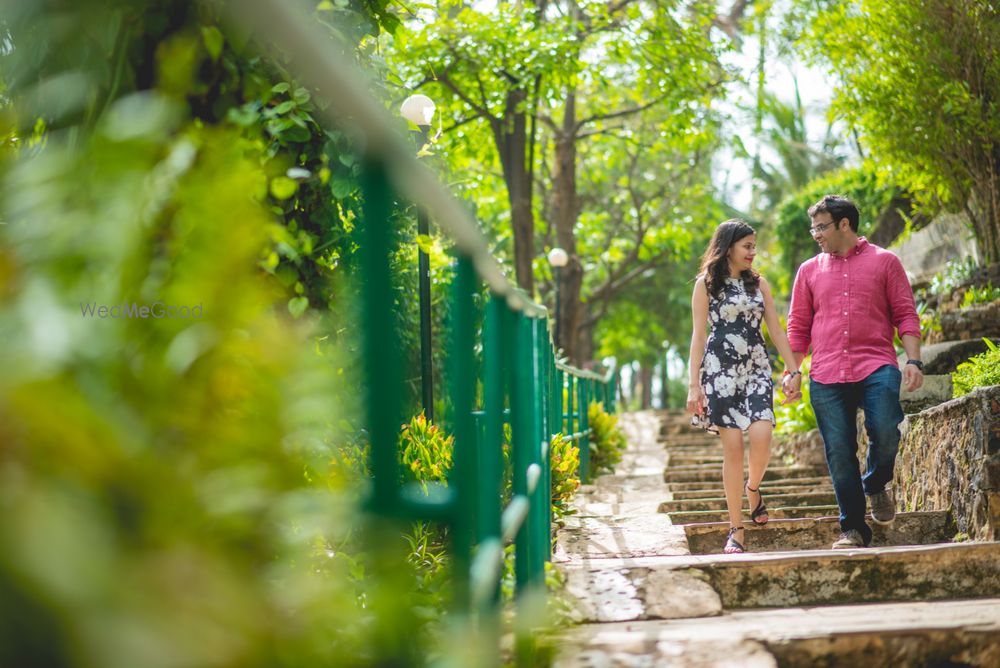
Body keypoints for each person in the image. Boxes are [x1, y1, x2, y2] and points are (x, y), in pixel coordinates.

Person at [784, 195, 923, 550]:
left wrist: (913, 360)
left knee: (886, 429)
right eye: (813, 227)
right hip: (827, 373)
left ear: (844, 224)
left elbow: (905, 313)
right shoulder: (809, 271)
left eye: (821, 226)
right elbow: (798, 326)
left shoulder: (885, 262)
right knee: (840, 453)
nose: (815, 234)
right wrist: (792, 371)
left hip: (876, 364)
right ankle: (853, 529)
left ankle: (876, 483)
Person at [686, 219, 802, 554]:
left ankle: (753, 488)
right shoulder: (706, 284)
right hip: (720, 372)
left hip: (756, 369)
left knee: (763, 435)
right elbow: (698, 335)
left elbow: (776, 331)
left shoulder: (758, 284)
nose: (753, 252)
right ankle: (736, 529)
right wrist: (694, 385)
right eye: (747, 246)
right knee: (733, 448)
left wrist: (793, 369)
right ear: (729, 246)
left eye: (754, 246)